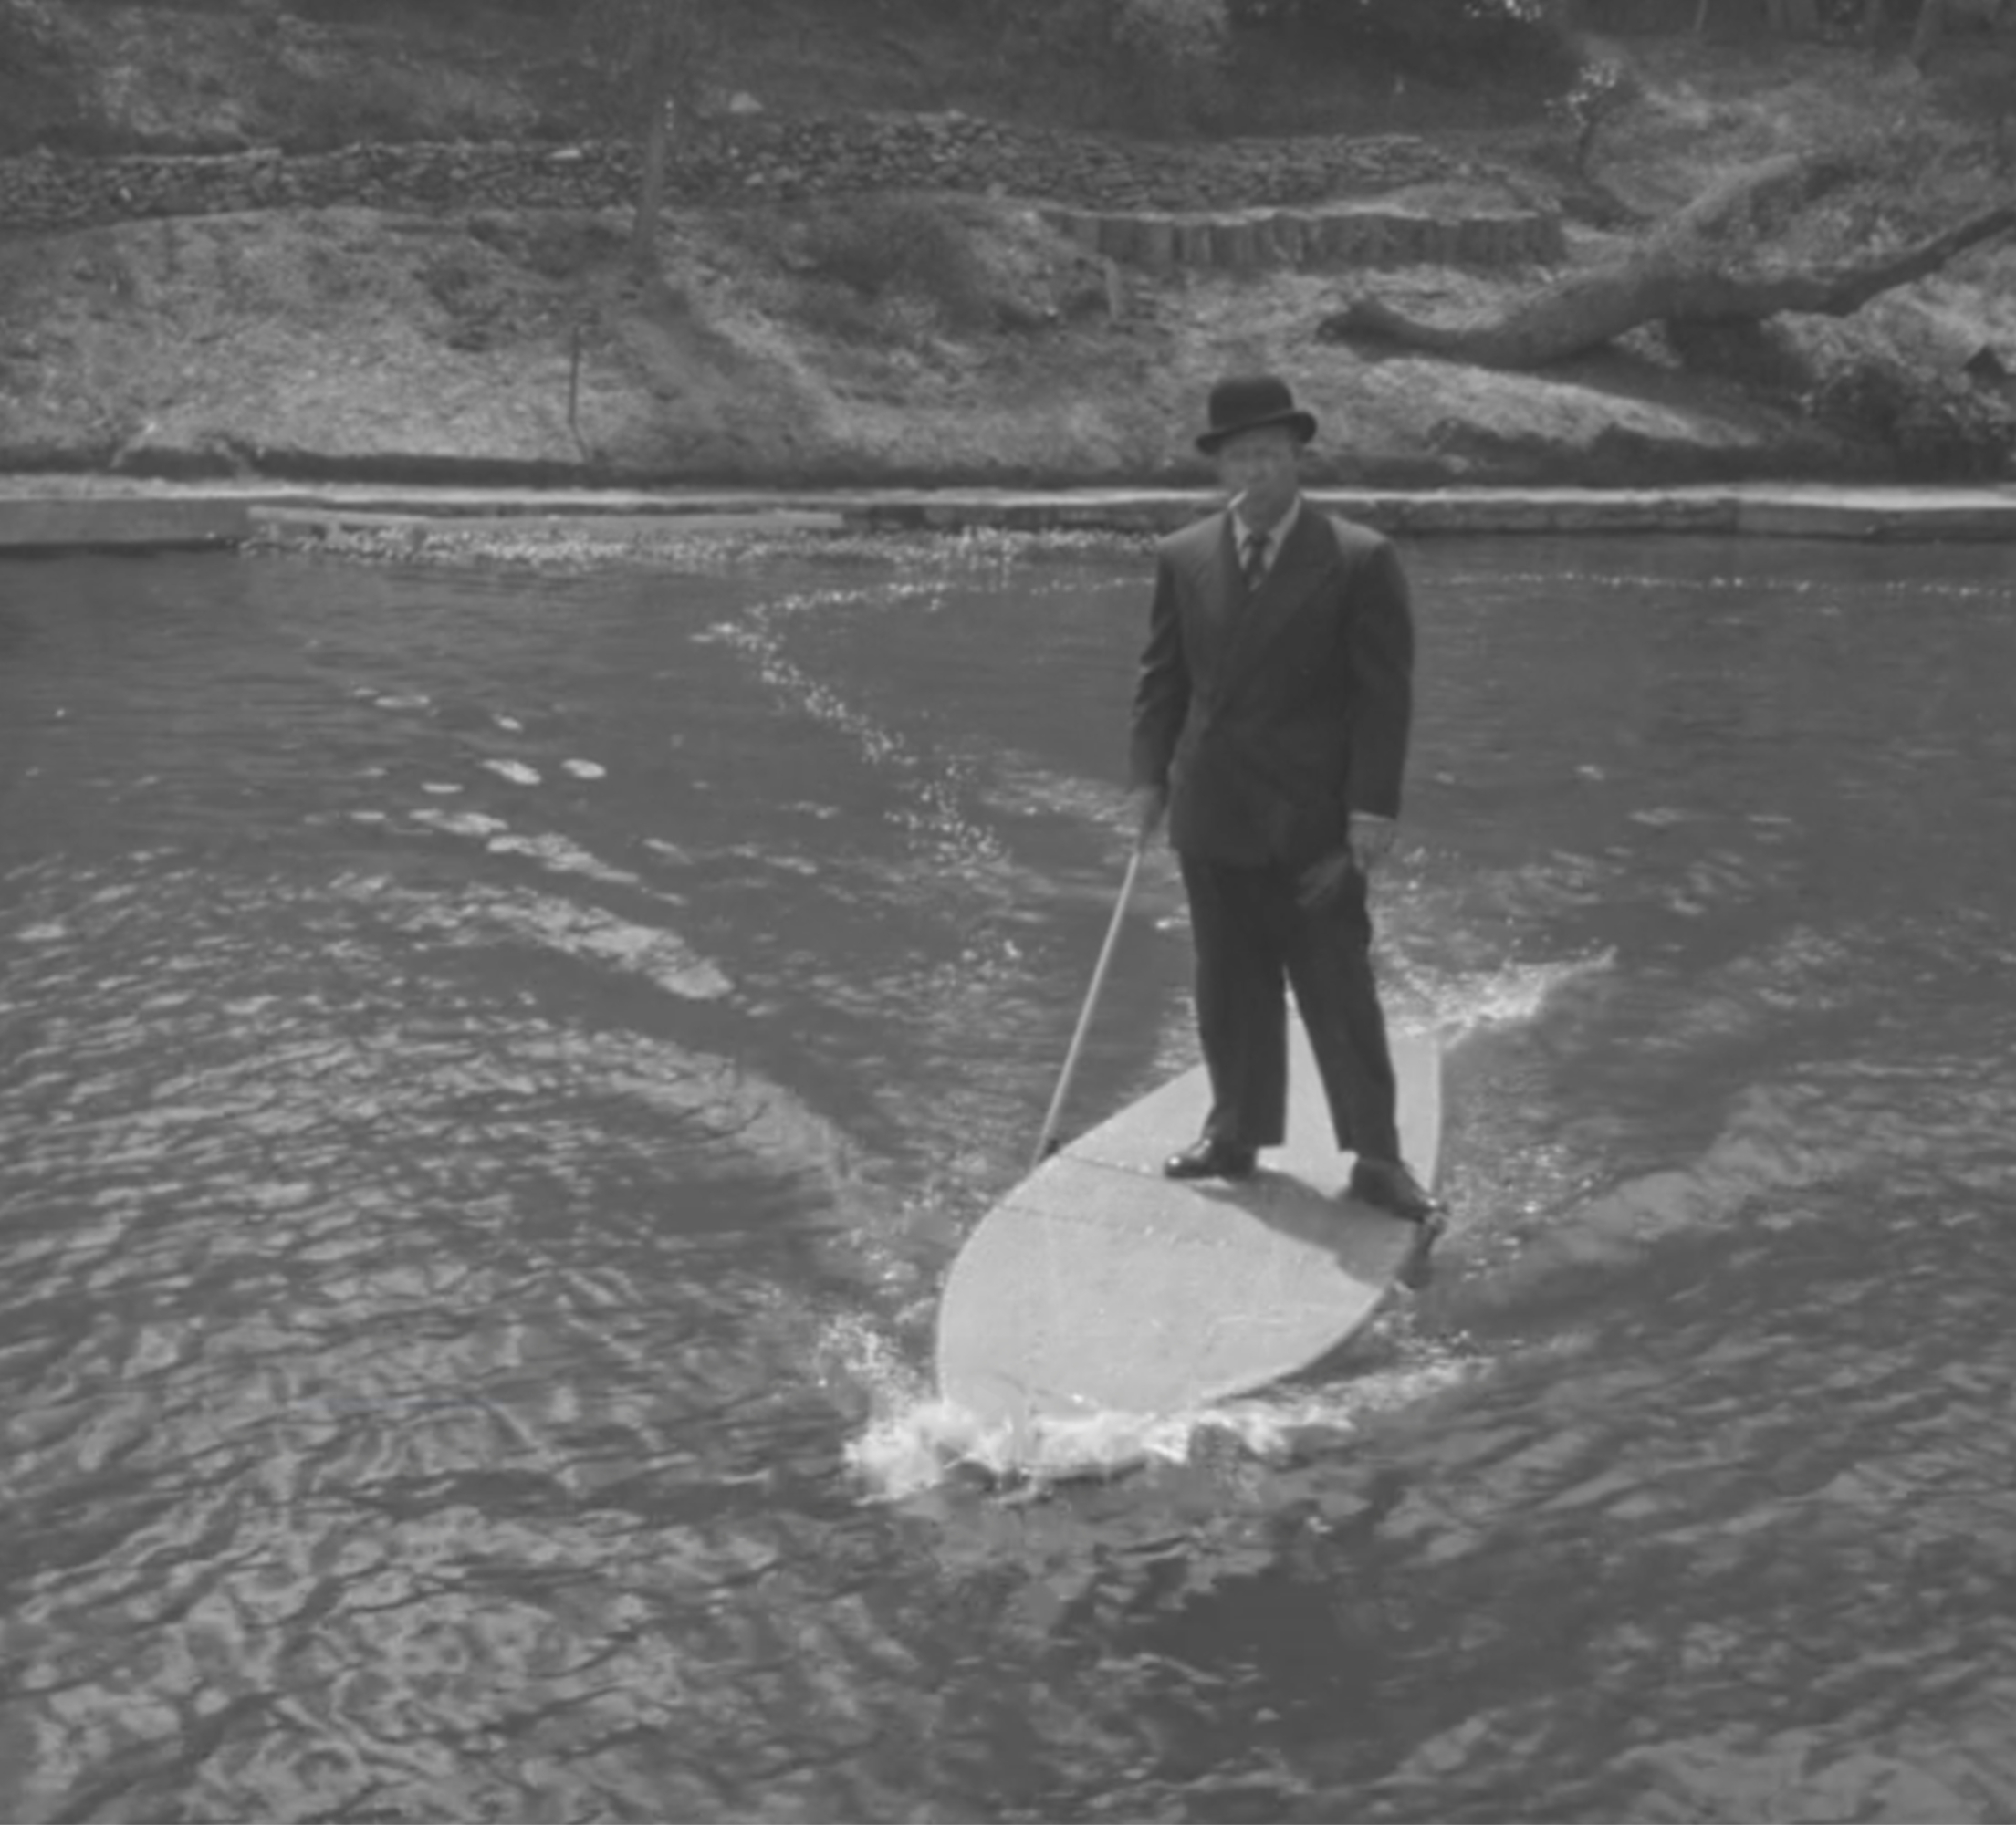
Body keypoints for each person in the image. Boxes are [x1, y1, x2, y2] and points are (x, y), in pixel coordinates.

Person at [1128, 372, 1442, 1234]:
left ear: (1297, 458)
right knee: (1228, 985)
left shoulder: (1357, 558)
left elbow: (1385, 698)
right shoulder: (1183, 555)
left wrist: (1371, 812)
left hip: (1315, 821)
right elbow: (1163, 681)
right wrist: (1148, 779)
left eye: (1269, 454)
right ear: (1220, 466)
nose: (1254, 471)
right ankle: (1233, 1136)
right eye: (1238, 456)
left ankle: (1376, 1159)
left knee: (1337, 986)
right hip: (1213, 809)